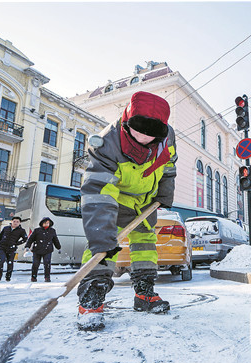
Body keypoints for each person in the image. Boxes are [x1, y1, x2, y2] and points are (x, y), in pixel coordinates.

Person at [76, 91, 177, 331]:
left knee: (145, 244)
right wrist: (102, 236)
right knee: (103, 246)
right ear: (127, 122)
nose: (143, 138)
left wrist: (165, 192)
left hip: (145, 201)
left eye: (150, 133)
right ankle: (91, 301)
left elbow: (170, 165)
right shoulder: (107, 143)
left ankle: (144, 294)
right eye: (138, 130)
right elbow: (98, 191)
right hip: (114, 198)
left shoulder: (168, 137)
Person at [0, 216, 28, 282]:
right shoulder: (6, 228)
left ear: (20, 223)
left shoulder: (21, 230)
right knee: (1, 261)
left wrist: (16, 243)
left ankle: (8, 277)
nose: (15, 223)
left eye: (17, 222)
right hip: (2, 247)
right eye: (14, 221)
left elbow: (25, 239)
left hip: (11, 249)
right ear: (11, 222)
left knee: (10, 263)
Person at [24, 217, 61, 282]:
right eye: (45, 223)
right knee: (35, 264)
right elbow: (30, 239)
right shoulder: (37, 230)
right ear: (42, 223)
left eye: (48, 223)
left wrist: (59, 247)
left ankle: (47, 277)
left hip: (48, 250)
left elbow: (55, 240)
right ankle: (34, 277)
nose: (46, 224)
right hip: (37, 250)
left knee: (47, 264)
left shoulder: (52, 231)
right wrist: (27, 246)